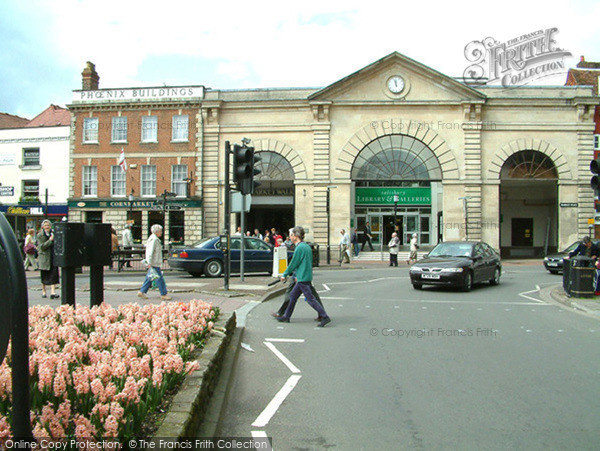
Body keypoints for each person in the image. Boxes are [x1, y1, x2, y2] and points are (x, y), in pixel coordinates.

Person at [276, 226, 331, 327]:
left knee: (310, 299)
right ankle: (286, 316)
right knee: (293, 296)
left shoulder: (299, 248)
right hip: (305, 276)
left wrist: (284, 274)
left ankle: (325, 316)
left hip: (302, 278)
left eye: (291, 235)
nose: (290, 237)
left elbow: (294, 263)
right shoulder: (306, 246)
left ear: (296, 236)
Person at [138, 224, 171, 300]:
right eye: (160, 231)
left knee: (149, 278)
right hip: (154, 262)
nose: (161, 232)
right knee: (159, 278)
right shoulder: (154, 240)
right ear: (156, 231)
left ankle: (142, 291)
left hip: (153, 262)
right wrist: (148, 262)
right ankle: (163, 294)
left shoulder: (153, 238)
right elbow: (150, 251)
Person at [37, 220, 59, 299]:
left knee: (53, 274)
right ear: (42, 227)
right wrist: (50, 240)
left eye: (48, 225)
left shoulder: (53, 234)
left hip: (52, 257)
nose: (47, 227)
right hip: (45, 258)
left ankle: (53, 292)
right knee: (44, 275)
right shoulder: (40, 235)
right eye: (45, 225)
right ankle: (44, 291)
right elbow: (42, 247)